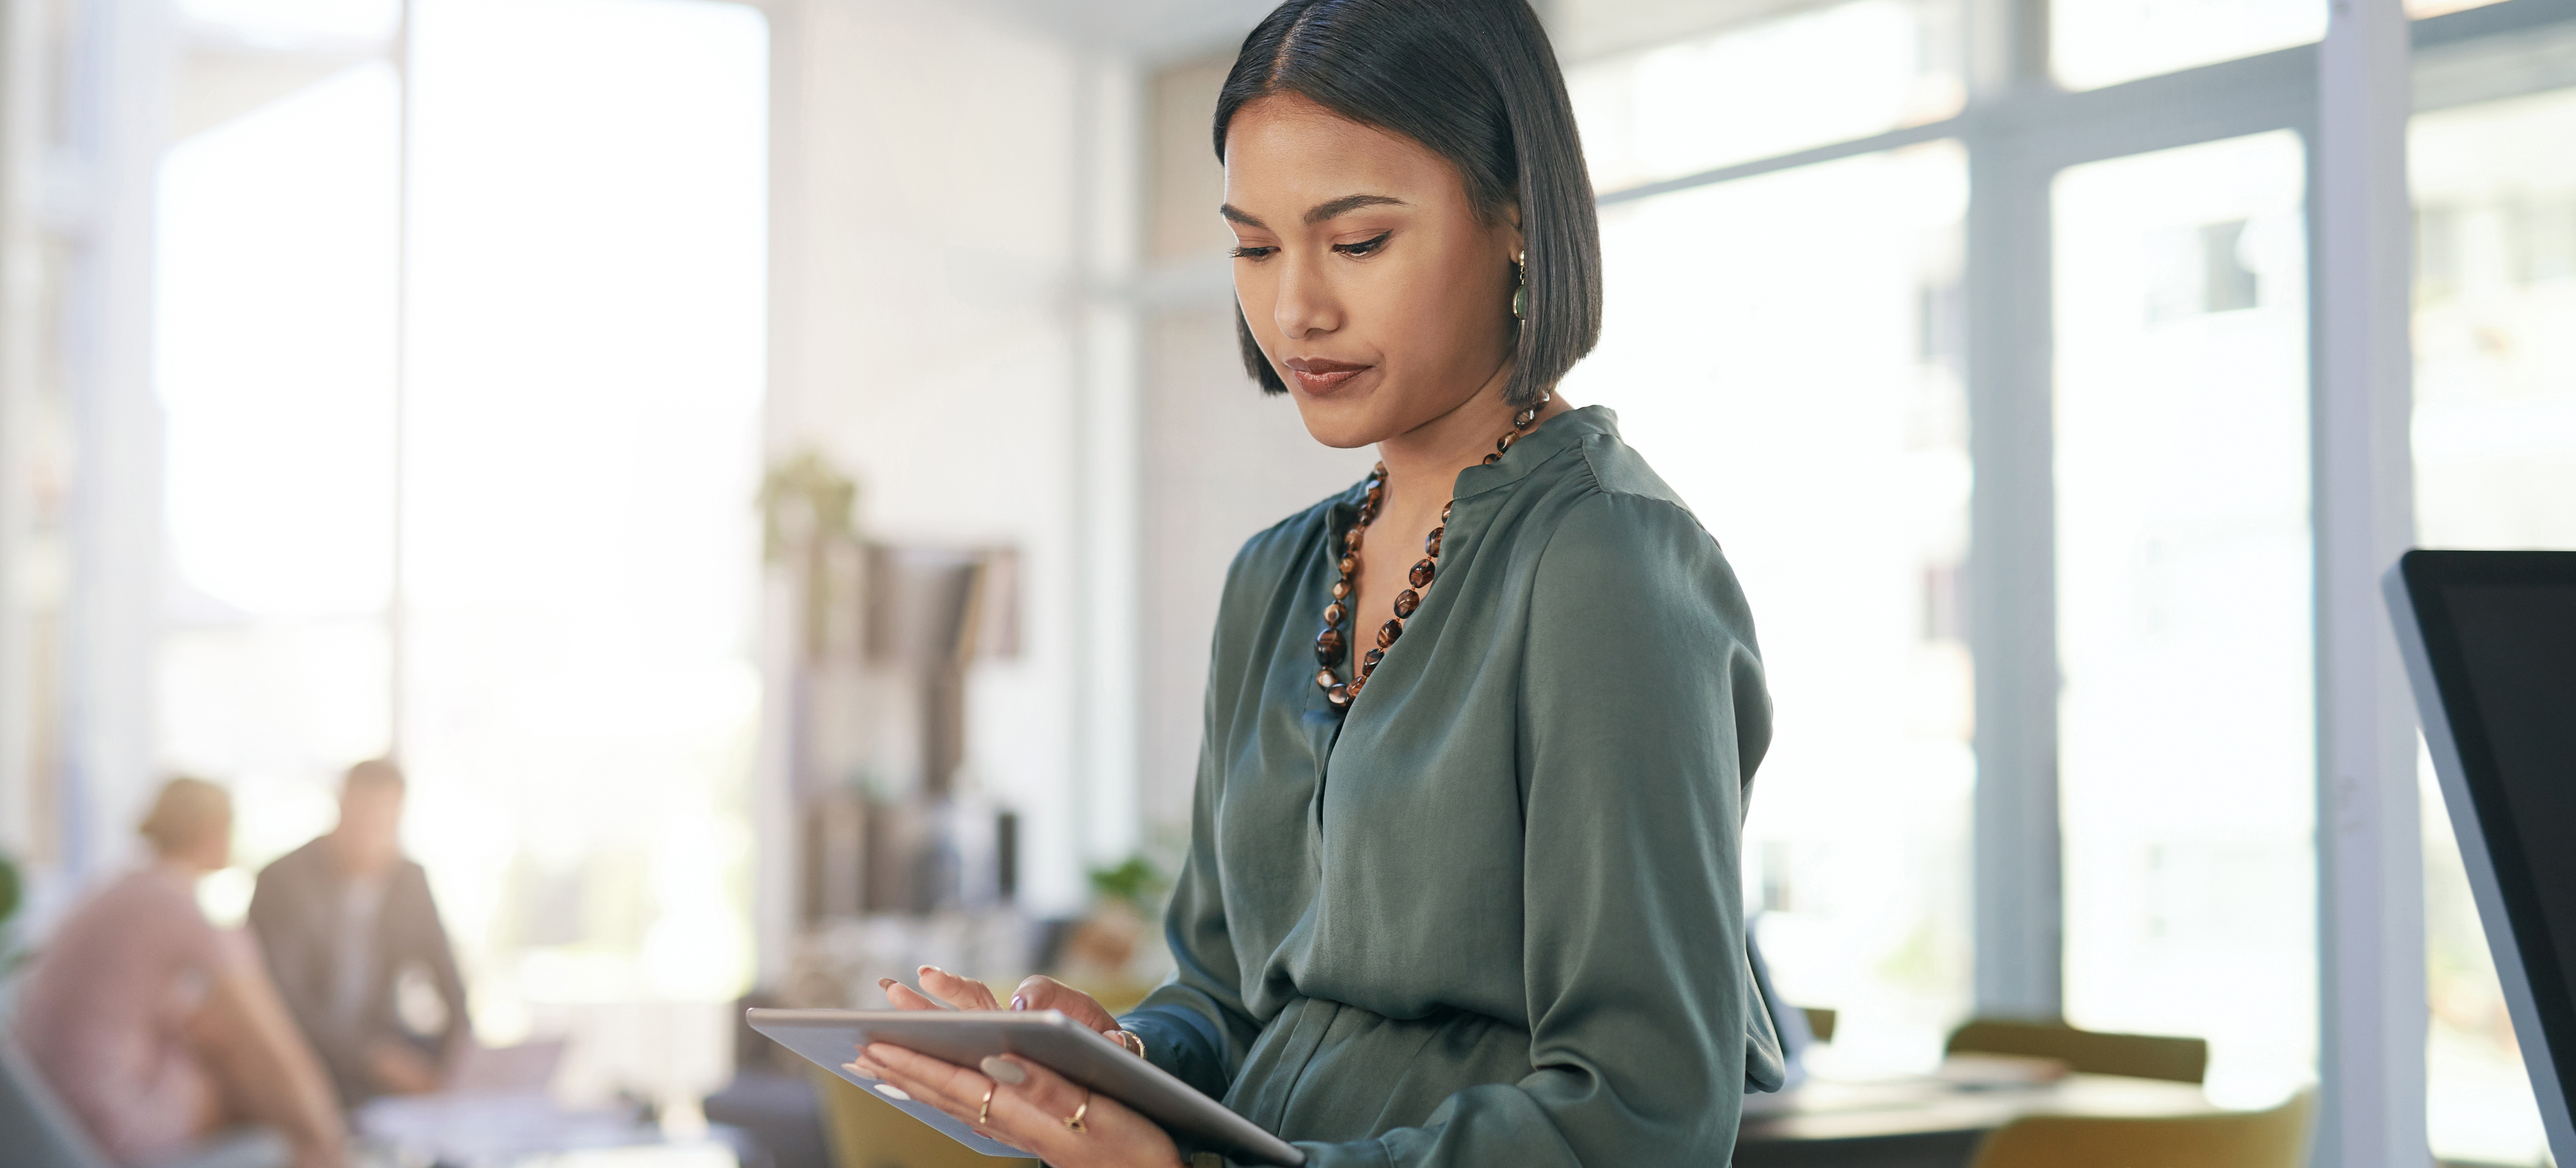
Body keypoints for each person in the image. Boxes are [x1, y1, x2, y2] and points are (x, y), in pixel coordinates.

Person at [850, 2, 1782, 1165]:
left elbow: (1640, 1115)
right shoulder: (1274, 579)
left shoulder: (1606, 568)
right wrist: (1116, 1060)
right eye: (1253, 246)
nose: (1295, 308)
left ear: (1514, 220)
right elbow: (1227, 995)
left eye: (1355, 243)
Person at [14, 778, 348, 1168]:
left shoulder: (117, 889)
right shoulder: (175, 904)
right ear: (213, 830)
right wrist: (329, 1134)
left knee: (217, 1041)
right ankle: (327, 1157)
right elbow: (272, 1040)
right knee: (249, 1073)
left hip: (44, 1115)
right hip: (101, 1127)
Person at [248, 759, 468, 1106]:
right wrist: (372, 1059)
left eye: (383, 820)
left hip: (380, 1049)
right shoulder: (282, 882)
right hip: (303, 1057)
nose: (371, 832)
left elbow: (449, 979)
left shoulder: (408, 881)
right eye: (362, 817)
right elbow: (284, 1002)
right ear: (341, 807)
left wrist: (461, 1058)